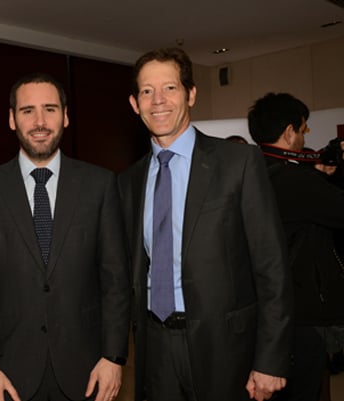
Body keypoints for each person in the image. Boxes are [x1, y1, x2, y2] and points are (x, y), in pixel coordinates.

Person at [118, 48, 292, 401]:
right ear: (135, 104)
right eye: (147, 91)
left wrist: (270, 359)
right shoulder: (128, 181)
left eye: (170, 88)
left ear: (191, 94)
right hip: (154, 348)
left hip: (226, 349)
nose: (158, 100)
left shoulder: (238, 162)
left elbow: (272, 266)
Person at [0, 72, 130, 401]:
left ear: (65, 116)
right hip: (8, 374)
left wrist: (113, 357)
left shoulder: (100, 185)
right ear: (12, 119)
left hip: (88, 371)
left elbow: (115, 280)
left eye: (50, 109)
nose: (40, 122)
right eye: (28, 111)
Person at [248, 92, 344, 401]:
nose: (304, 137)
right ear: (289, 132)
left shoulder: (249, 172)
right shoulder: (298, 181)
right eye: (303, 129)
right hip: (300, 313)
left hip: (260, 309)